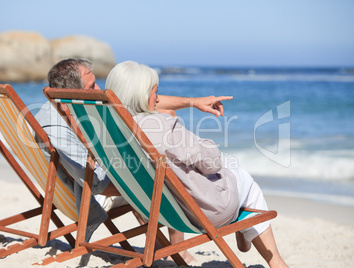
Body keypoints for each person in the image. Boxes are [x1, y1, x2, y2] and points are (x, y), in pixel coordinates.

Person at [105, 61, 288, 268]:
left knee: (230, 169)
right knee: (245, 180)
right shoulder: (161, 127)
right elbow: (213, 163)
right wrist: (198, 139)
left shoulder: (109, 129)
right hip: (202, 212)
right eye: (155, 93)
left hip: (160, 210)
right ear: (141, 96)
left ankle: (247, 234)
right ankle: (275, 261)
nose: (158, 99)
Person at [34, 58, 233, 245]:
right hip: (95, 194)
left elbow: (140, 100)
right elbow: (95, 182)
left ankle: (171, 247)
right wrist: (144, 181)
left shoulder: (68, 107)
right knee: (165, 159)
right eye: (92, 86)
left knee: (161, 122)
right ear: (74, 92)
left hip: (107, 178)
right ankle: (176, 248)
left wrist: (193, 102)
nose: (100, 89)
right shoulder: (57, 127)